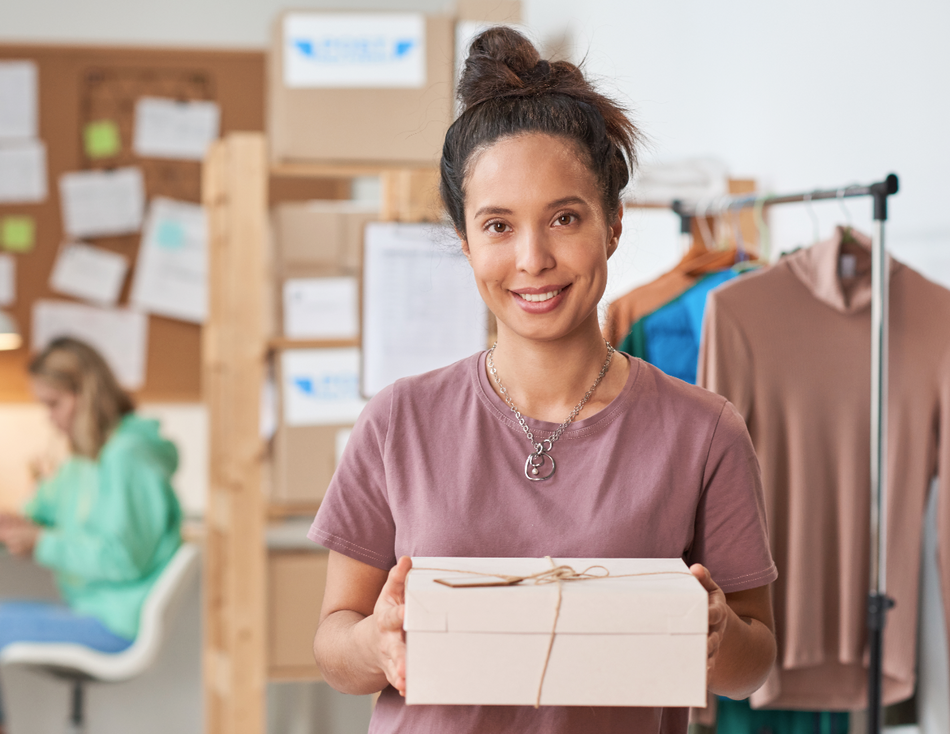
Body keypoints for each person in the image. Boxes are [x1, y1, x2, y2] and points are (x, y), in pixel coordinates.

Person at [308, 27, 778, 734]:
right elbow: (333, 645)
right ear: (465, 241)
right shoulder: (398, 421)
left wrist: (717, 636)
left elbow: (755, 659)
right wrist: (375, 642)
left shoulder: (704, 431)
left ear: (614, 224)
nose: (533, 259)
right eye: (498, 226)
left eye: (565, 218)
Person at [0, 337, 182, 734]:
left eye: (54, 404)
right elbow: (48, 507)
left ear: (86, 393)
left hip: (113, 623)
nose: (50, 418)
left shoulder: (126, 457)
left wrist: (41, 542)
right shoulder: (87, 456)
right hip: (91, 611)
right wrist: (16, 526)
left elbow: (121, 557)